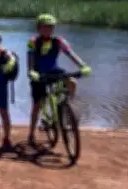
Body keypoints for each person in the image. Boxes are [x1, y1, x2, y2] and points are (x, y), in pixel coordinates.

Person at [26, 14, 92, 145]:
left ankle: (67, 106)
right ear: (39, 28)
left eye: (50, 27)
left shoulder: (59, 41)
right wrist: (31, 71)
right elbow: (30, 58)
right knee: (37, 105)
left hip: (54, 70)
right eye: (44, 27)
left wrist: (83, 65)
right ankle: (31, 133)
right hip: (38, 74)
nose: (47, 30)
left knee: (72, 81)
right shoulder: (33, 41)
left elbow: (71, 54)